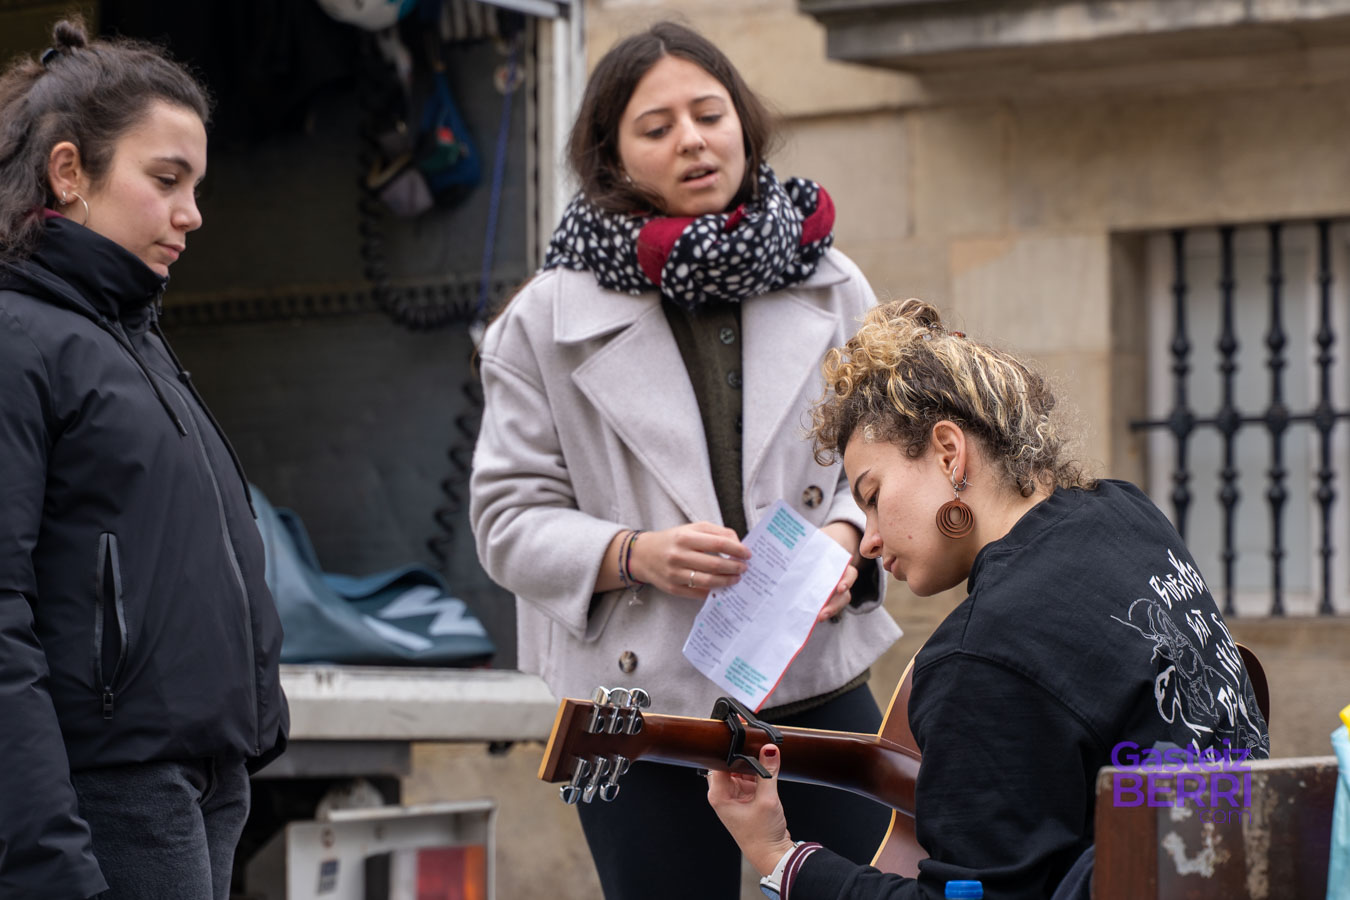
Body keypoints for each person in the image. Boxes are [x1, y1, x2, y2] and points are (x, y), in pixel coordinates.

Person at [469, 20, 901, 900]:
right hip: (638, 708)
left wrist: (847, 540)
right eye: (656, 126)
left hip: (814, 682)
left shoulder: (835, 283)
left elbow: (897, 459)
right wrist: (633, 554)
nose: (693, 140)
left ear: (744, 124)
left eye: (709, 114)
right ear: (613, 157)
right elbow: (506, 520)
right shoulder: (543, 319)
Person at [706, 298, 1272, 899]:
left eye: (871, 495)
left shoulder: (978, 656)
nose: (868, 540)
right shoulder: (1126, 512)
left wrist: (778, 856)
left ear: (950, 453)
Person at [0, 19, 288, 900]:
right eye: (166, 180)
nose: (192, 212)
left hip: (205, 782)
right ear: (68, 173)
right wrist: (49, 857)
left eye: (196, 184)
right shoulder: (19, 341)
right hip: (112, 793)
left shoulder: (134, 339)